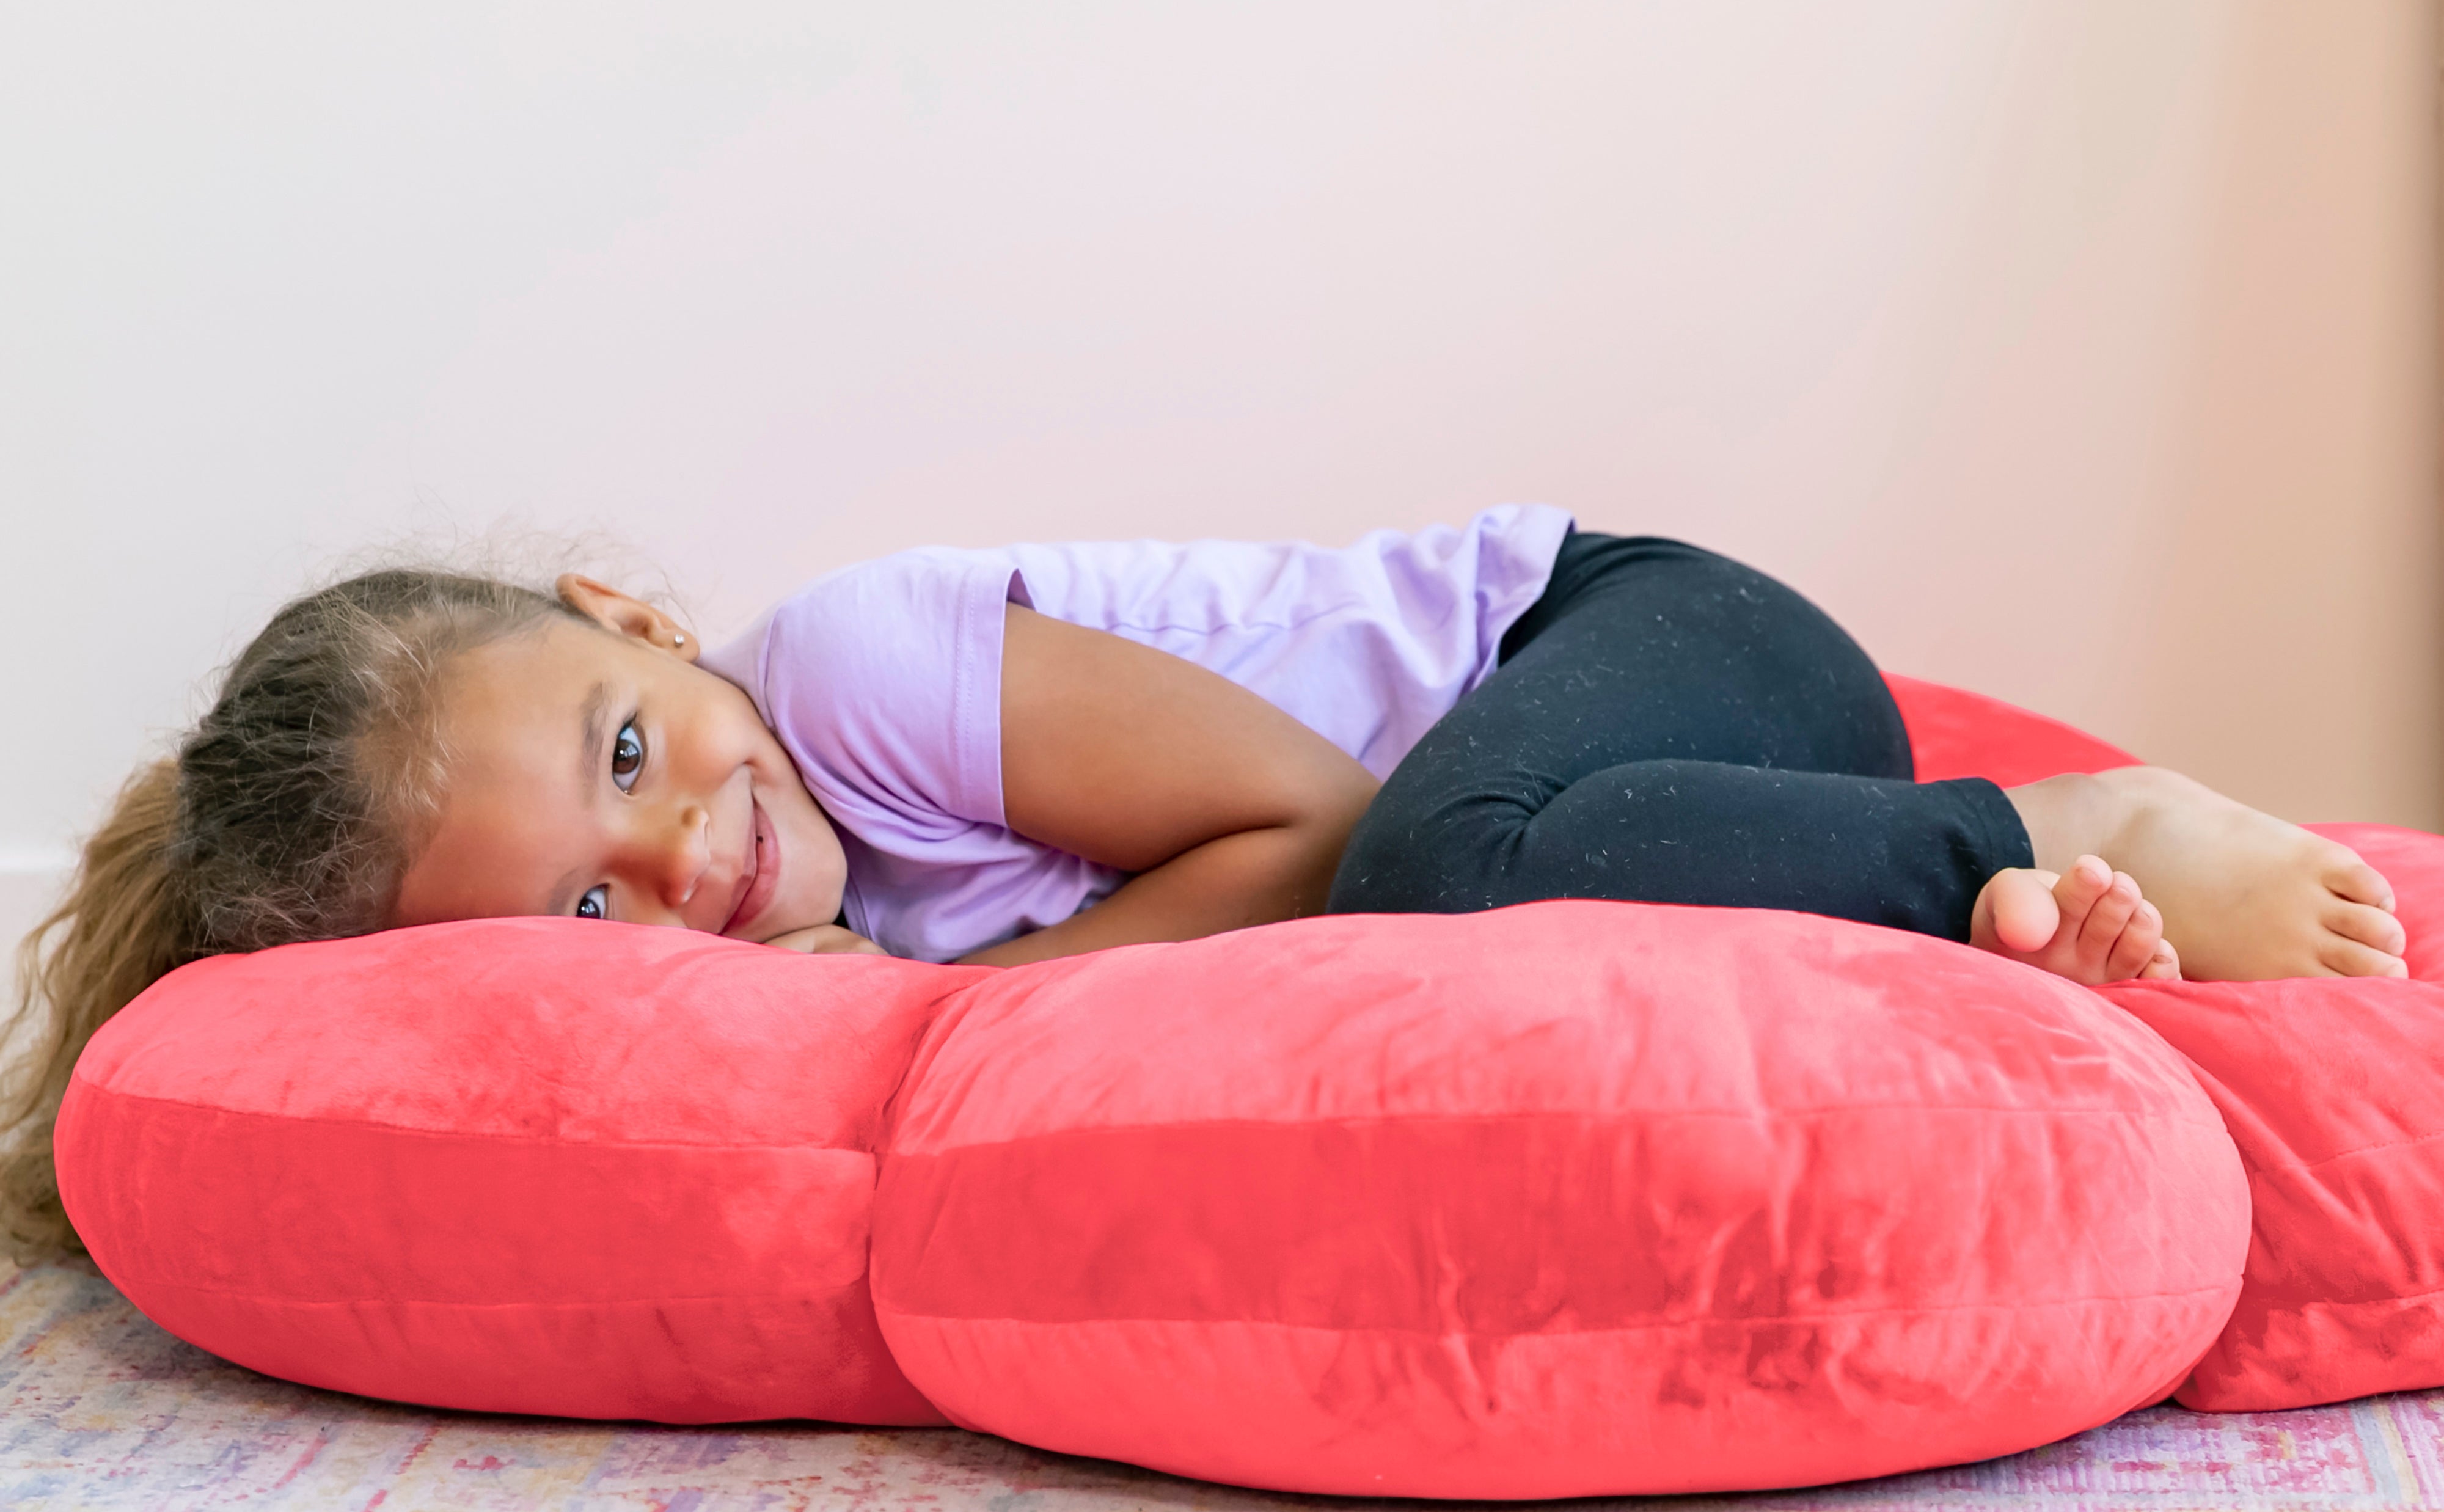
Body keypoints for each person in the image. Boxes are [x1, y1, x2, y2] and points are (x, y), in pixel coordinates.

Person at [0, 507, 2406, 1257]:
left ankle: (2083, 829)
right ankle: (1962, 938)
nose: (678, 850)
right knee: (1526, 962)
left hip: (1663, 643)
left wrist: (990, 1013)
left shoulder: (848, 674)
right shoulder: (797, 945)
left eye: (630, 754)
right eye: (592, 915)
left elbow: (1303, 828)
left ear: (636, 628)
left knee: (1445, 871)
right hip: (1655, 815)